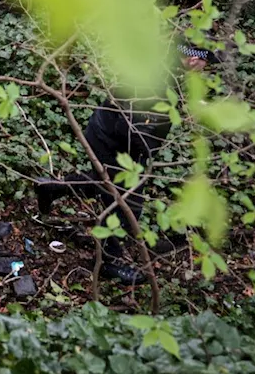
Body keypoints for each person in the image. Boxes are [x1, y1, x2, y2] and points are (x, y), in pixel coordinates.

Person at [34, 45, 222, 285]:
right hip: (113, 139)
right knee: (125, 200)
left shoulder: (167, 63)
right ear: (194, 60)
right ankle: (109, 261)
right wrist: (144, 152)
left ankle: (51, 188)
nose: (205, 70)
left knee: (108, 184)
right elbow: (131, 128)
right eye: (206, 64)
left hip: (111, 131)